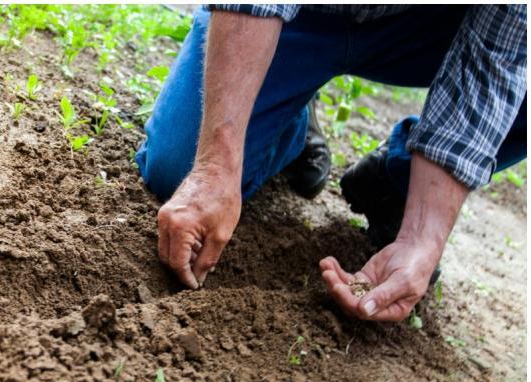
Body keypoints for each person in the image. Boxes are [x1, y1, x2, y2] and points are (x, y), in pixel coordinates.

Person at [135, 5, 527, 322]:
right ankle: (290, 121)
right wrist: (215, 168)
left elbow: (498, 60)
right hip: (301, 16)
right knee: (179, 169)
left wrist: (422, 238)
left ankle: (399, 183)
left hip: (428, 27)